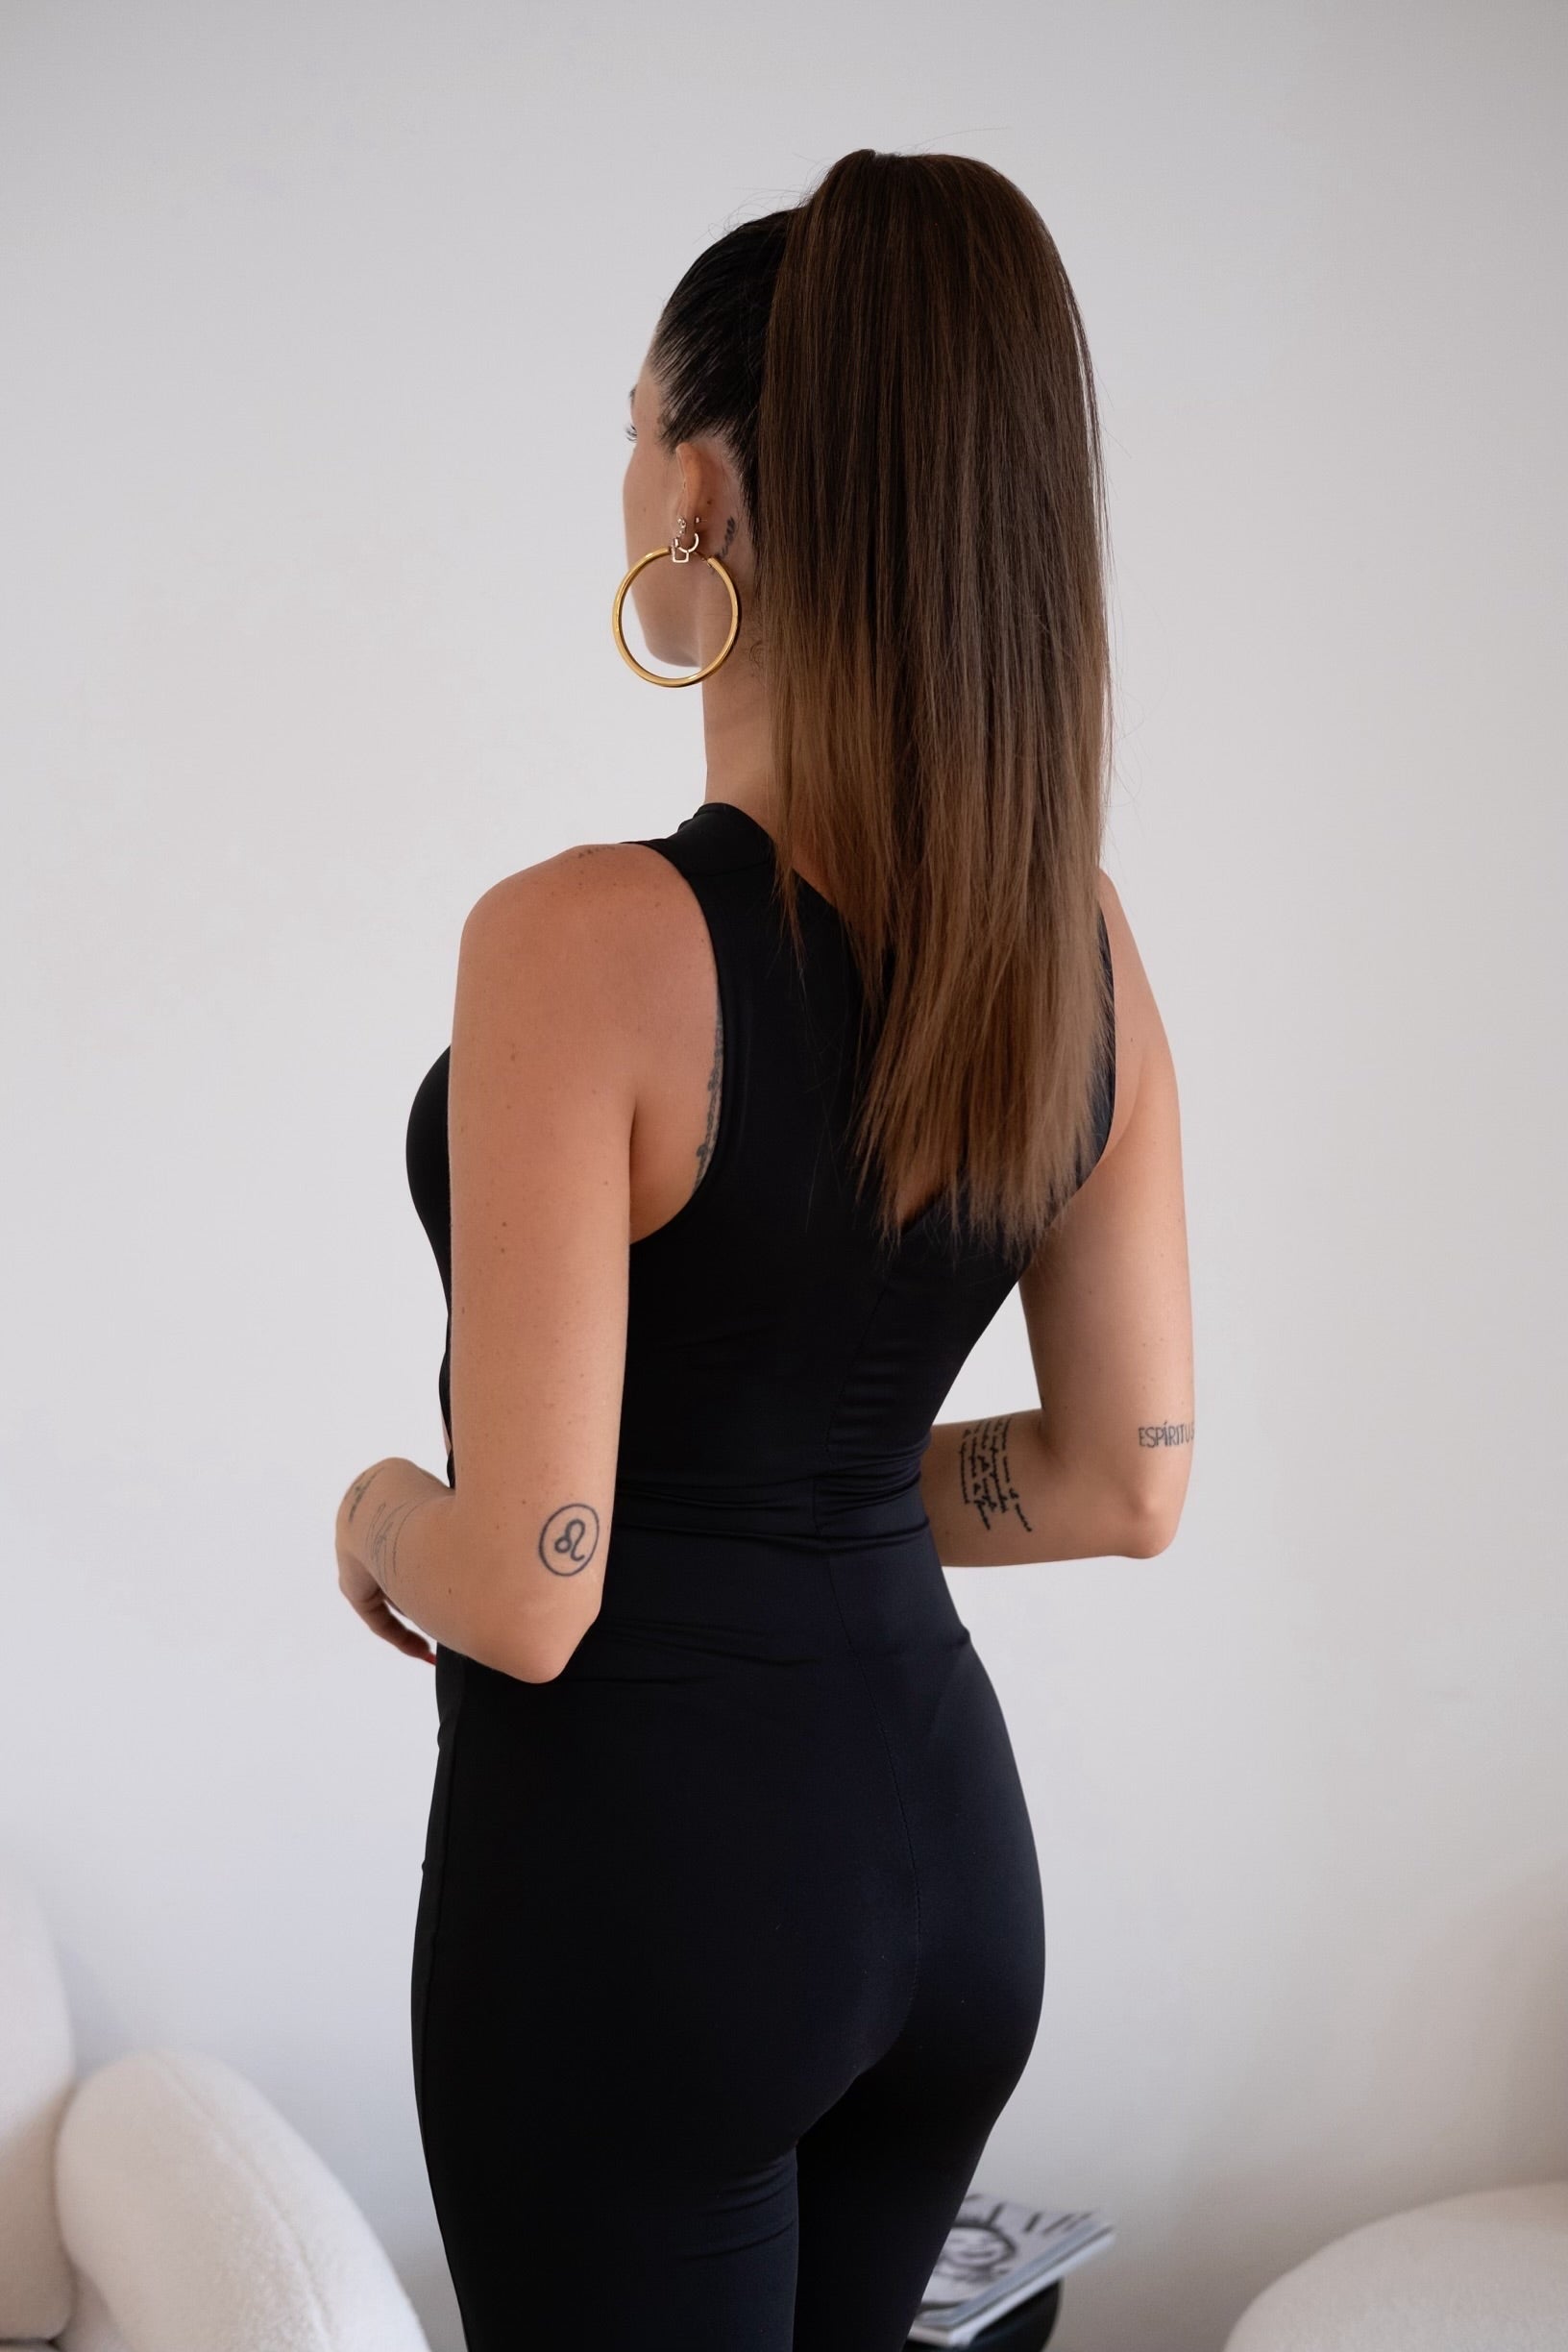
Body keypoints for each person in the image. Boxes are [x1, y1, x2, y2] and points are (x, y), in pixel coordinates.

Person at [334, 146, 1192, 2352]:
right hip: (946, 1887)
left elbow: (529, 1585)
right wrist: (801, 1504)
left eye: (635, 430)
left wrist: (379, 1512)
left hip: (654, 1904)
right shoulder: (1080, 944)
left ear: (703, 495)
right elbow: (1124, 1480)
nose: (626, 475)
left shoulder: (580, 942)